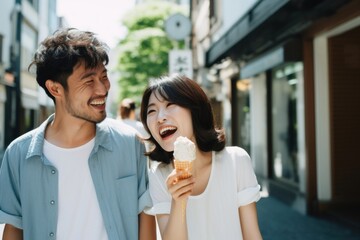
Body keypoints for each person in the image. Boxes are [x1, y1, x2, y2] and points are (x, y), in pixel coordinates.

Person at [0, 28, 156, 240]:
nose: (102, 90)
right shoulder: (18, 154)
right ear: (55, 89)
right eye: (89, 81)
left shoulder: (130, 144)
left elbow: (145, 218)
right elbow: (14, 229)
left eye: (104, 76)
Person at [140, 74, 263, 240]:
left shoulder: (236, 161)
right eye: (152, 110)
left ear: (195, 109)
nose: (160, 117)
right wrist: (178, 202)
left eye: (170, 104)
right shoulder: (159, 175)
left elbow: (252, 236)